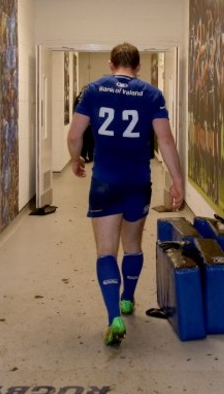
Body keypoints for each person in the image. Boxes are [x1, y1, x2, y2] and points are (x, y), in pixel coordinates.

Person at [67, 43, 184, 346]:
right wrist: (177, 181)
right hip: (137, 182)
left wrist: (76, 159)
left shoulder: (93, 90)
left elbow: (74, 135)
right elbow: (166, 140)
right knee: (132, 246)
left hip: (105, 181)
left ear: (110, 64)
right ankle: (128, 299)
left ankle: (113, 319)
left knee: (107, 252)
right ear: (138, 67)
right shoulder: (151, 94)